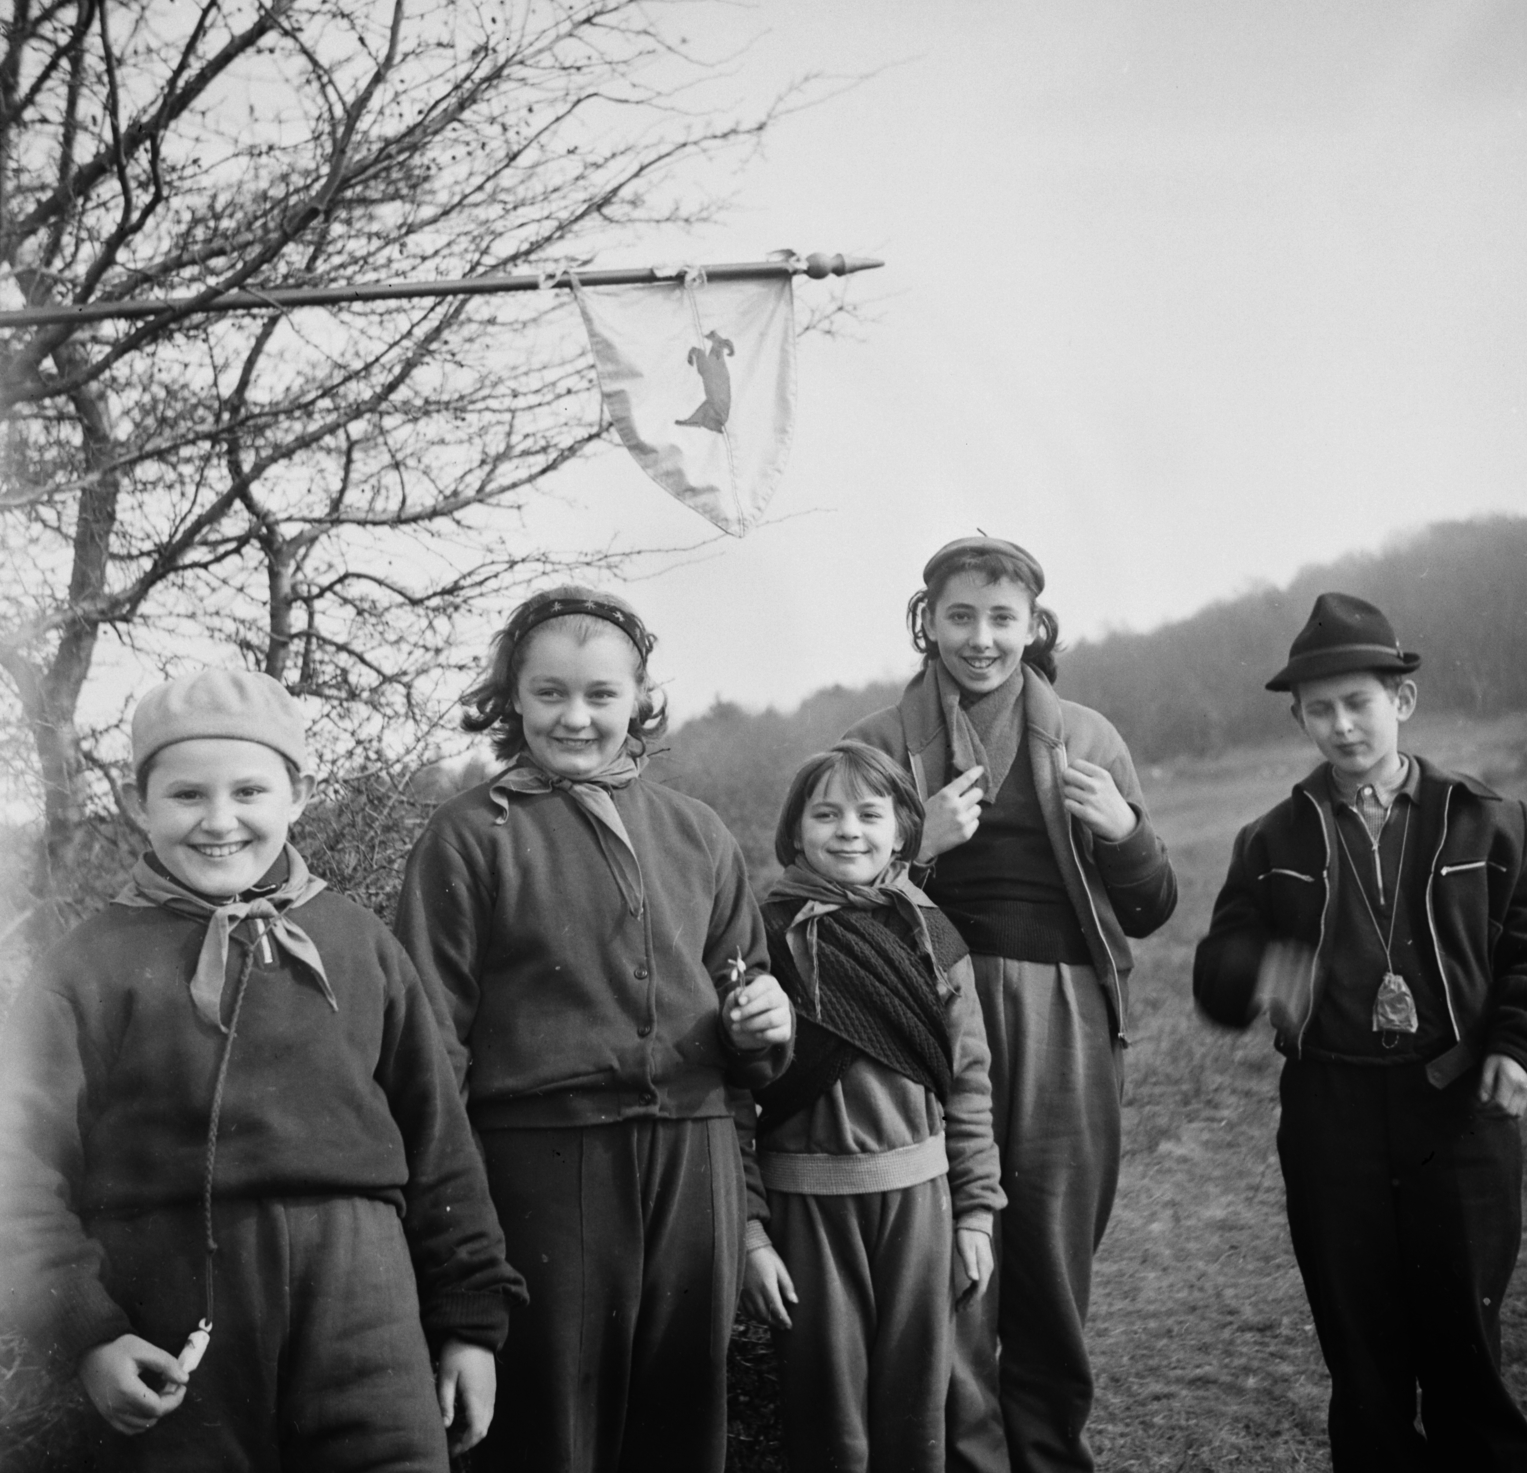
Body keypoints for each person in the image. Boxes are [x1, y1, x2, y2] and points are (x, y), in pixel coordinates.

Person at [0, 668, 525, 1471]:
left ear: (298, 794)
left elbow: (440, 1141)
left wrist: (469, 1324)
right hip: (170, 1306)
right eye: (185, 796)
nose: (219, 821)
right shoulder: (85, 967)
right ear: (141, 804)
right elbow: (20, 1173)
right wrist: (88, 1334)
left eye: (249, 791)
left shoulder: (360, 945)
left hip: (364, 1301)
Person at [395, 585, 795, 1473]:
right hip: (546, 1166)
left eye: (601, 696)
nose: (575, 718)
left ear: (640, 700)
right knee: (554, 1429)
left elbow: (745, 1004)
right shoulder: (467, 837)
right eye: (549, 694)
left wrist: (762, 1024)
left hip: (694, 1165)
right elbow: (428, 1054)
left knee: (684, 1419)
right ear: (511, 698)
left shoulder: (698, 832)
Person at [1193, 592, 1527, 1472]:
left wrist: (1516, 1047)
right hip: (1331, 1116)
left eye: (1357, 703)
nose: (1341, 726)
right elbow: (1215, 973)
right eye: (1318, 711)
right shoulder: (1268, 841)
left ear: (1399, 701)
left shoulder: (1491, 820)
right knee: (1364, 1368)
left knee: (1465, 1361)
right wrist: (1256, 972)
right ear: (1297, 719)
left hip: (1458, 1117)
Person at [848, 537, 1178, 1473]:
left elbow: (1151, 909)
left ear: (1034, 626)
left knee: (1052, 1249)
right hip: (930, 1007)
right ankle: (968, 1457)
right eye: (960, 616)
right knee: (951, 1243)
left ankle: (1047, 1452)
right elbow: (826, 903)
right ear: (928, 621)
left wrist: (1124, 832)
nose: (981, 639)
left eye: (1003, 619)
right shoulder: (876, 743)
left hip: (1067, 1008)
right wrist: (921, 848)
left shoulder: (1090, 734)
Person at [740, 740, 1005, 1473]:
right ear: (795, 831)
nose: (848, 830)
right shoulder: (762, 937)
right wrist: (752, 1234)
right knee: (829, 1419)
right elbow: (730, 1099)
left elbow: (969, 1082)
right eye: (825, 814)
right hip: (807, 1210)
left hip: (920, 1207)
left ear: (902, 829)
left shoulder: (931, 932)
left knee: (916, 1408)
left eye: (868, 813)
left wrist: (976, 1210)